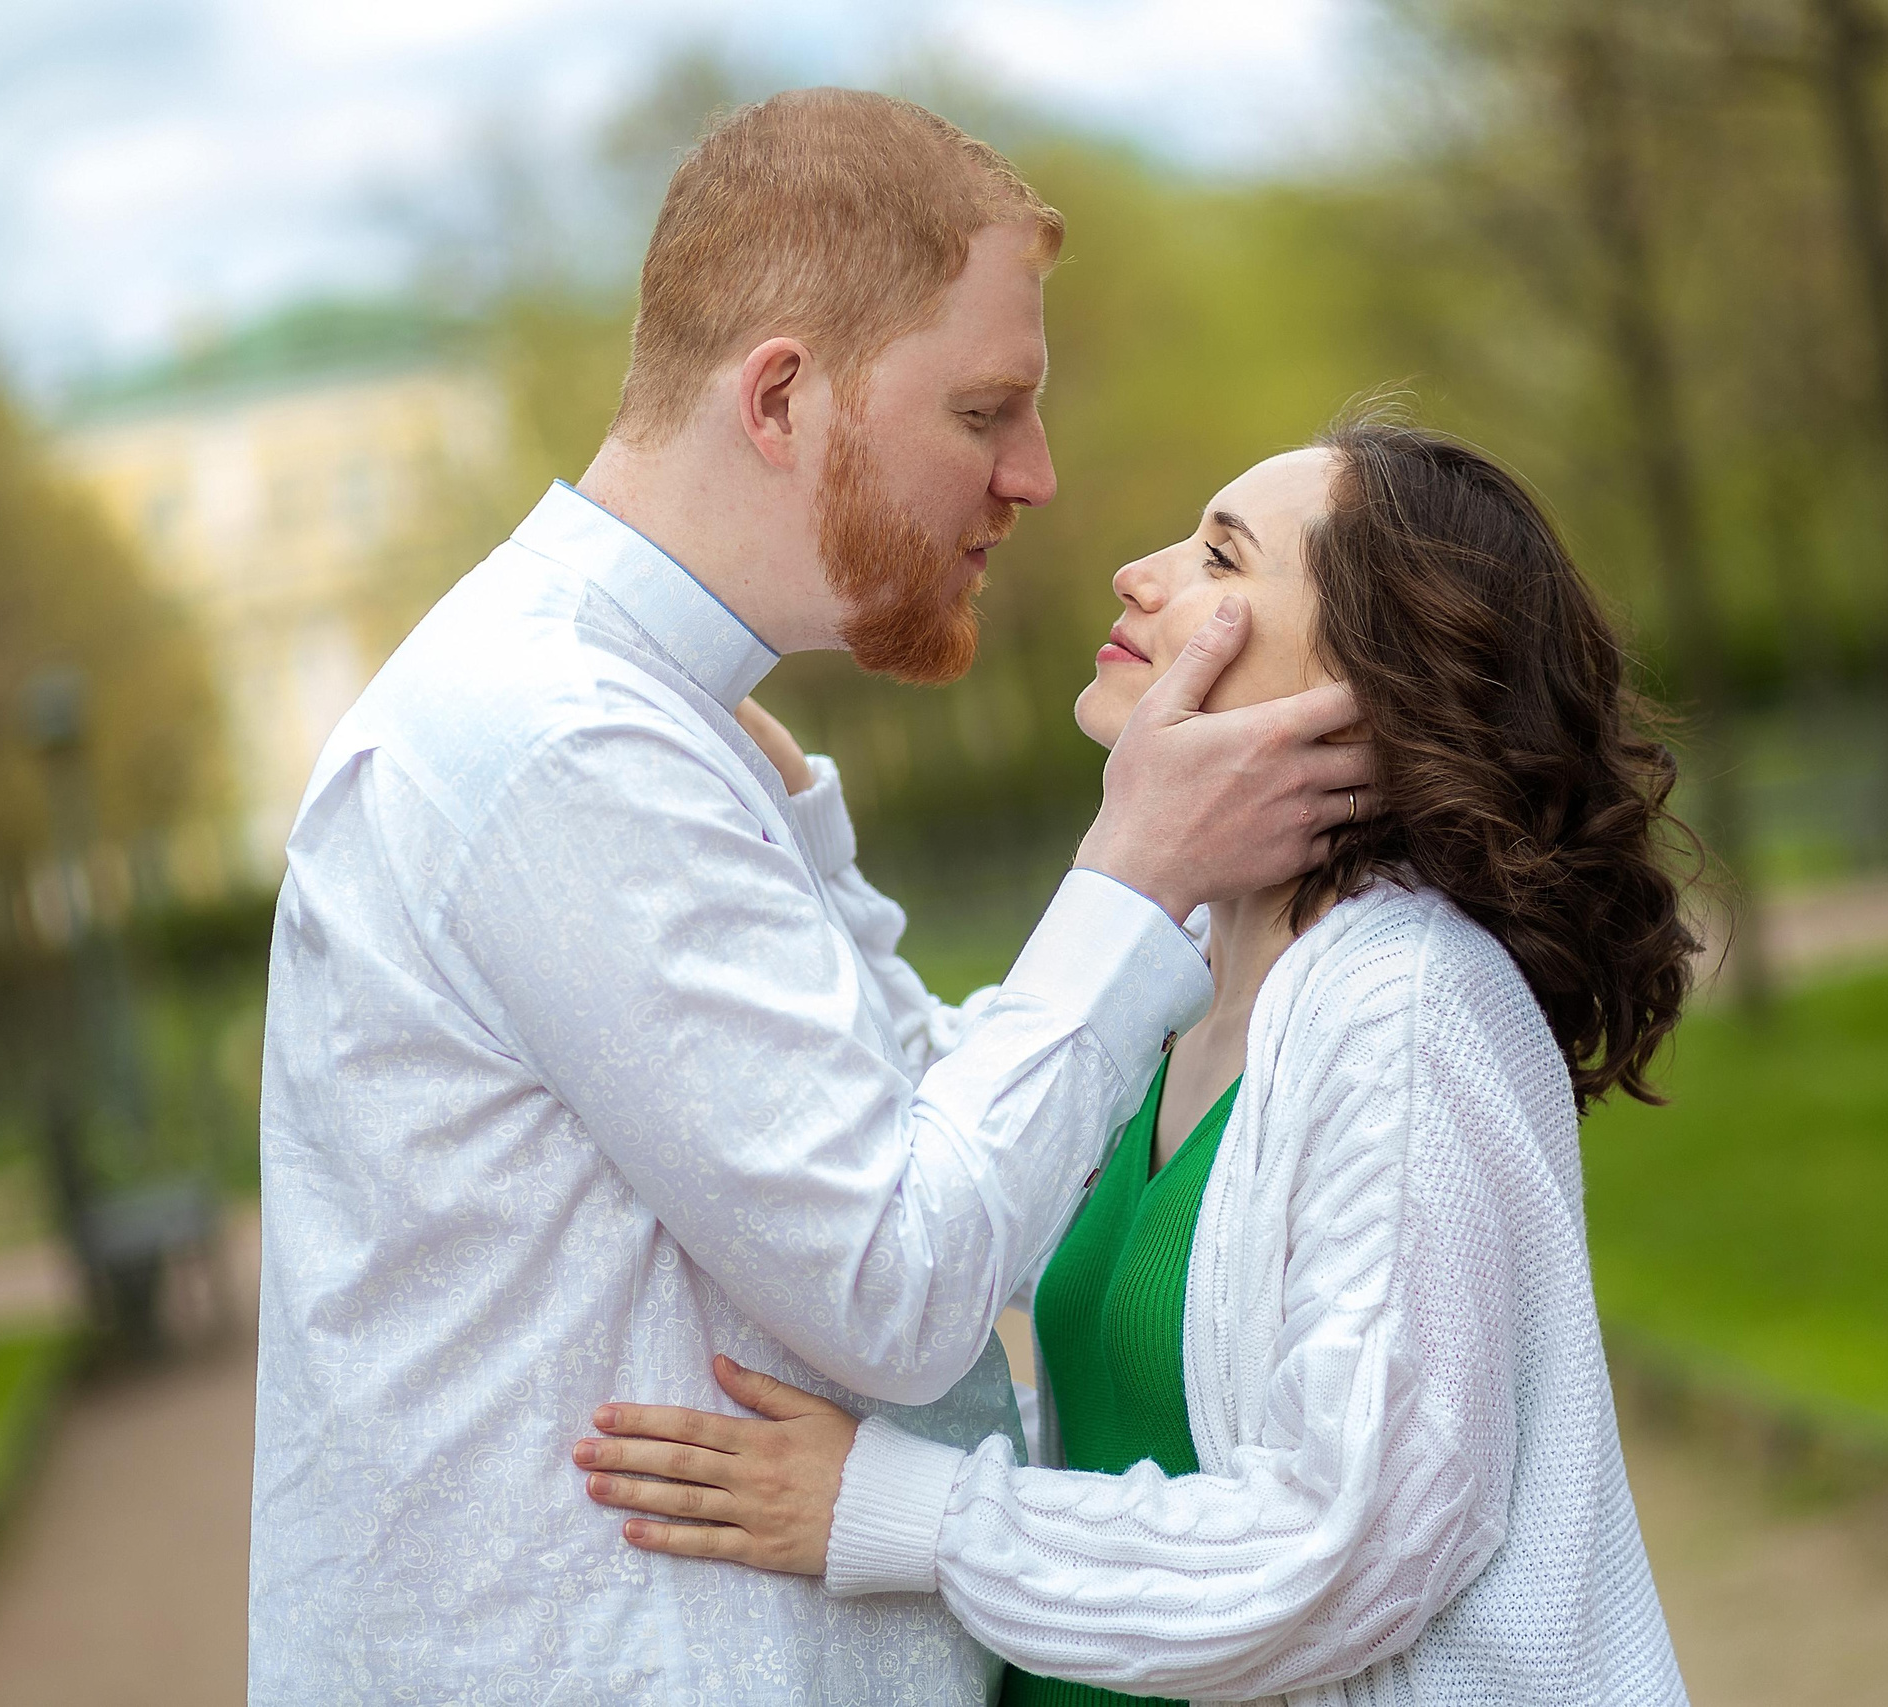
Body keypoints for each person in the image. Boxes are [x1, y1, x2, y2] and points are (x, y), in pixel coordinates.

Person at [245, 91, 1376, 1706]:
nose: (1038, 477)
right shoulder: (570, 745)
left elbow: (931, 1144)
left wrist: (824, 852)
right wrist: (1135, 878)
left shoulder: (635, 719)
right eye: (984, 412)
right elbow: (901, 1285)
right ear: (781, 397)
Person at [570, 418, 1702, 1705]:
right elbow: (960, 1117)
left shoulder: (1406, 1007)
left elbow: (1349, 1547)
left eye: (1221, 559)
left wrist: (899, 1513)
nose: (1137, 573)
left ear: (1371, 690)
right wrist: (805, 840)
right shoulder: (1185, 986)